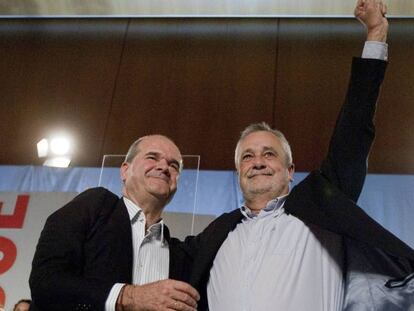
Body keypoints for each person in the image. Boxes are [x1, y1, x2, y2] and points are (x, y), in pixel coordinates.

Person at [185, 0, 414, 310]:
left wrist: (376, 35)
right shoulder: (217, 233)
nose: (258, 162)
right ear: (238, 171)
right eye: (247, 157)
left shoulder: (319, 210)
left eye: (269, 153)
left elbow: (354, 131)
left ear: (290, 170)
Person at [29, 135, 199, 311]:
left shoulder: (179, 255)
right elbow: (46, 282)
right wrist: (129, 296)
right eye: (152, 157)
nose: (164, 167)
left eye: (173, 165)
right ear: (125, 170)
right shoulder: (95, 206)